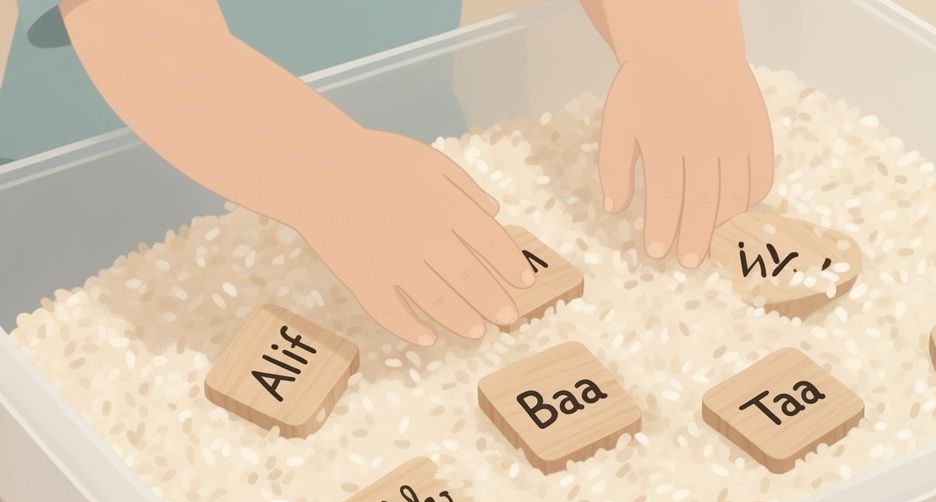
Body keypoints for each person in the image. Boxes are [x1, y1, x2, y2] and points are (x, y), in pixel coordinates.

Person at [10, 0, 773, 346]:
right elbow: (145, 35)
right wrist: (330, 174)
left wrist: (679, 40)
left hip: (398, 139)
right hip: (112, 199)